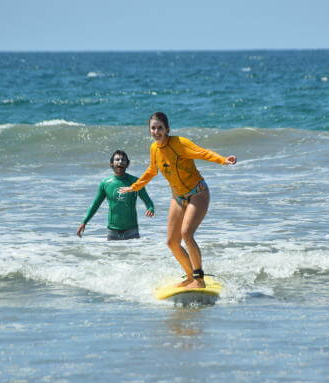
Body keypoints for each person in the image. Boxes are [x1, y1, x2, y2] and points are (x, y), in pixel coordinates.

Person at [119, 112, 236, 288]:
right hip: (178, 196)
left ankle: (199, 279)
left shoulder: (179, 144)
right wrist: (134, 186)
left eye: (160, 128)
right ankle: (190, 276)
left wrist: (223, 160)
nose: (156, 131)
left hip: (198, 192)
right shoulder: (154, 149)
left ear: (167, 129)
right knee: (172, 242)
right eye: (153, 128)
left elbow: (202, 153)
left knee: (186, 234)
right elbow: (152, 170)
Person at [77, 150, 154, 240]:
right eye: (117, 159)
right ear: (111, 164)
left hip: (132, 231)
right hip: (112, 232)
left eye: (123, 160)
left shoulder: (135, 182)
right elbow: (95, 204)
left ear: (128, 164)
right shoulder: (105, 183)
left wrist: (150, 208)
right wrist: (84, 222)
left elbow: (147, 200)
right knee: (111, 254)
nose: (120, 162)